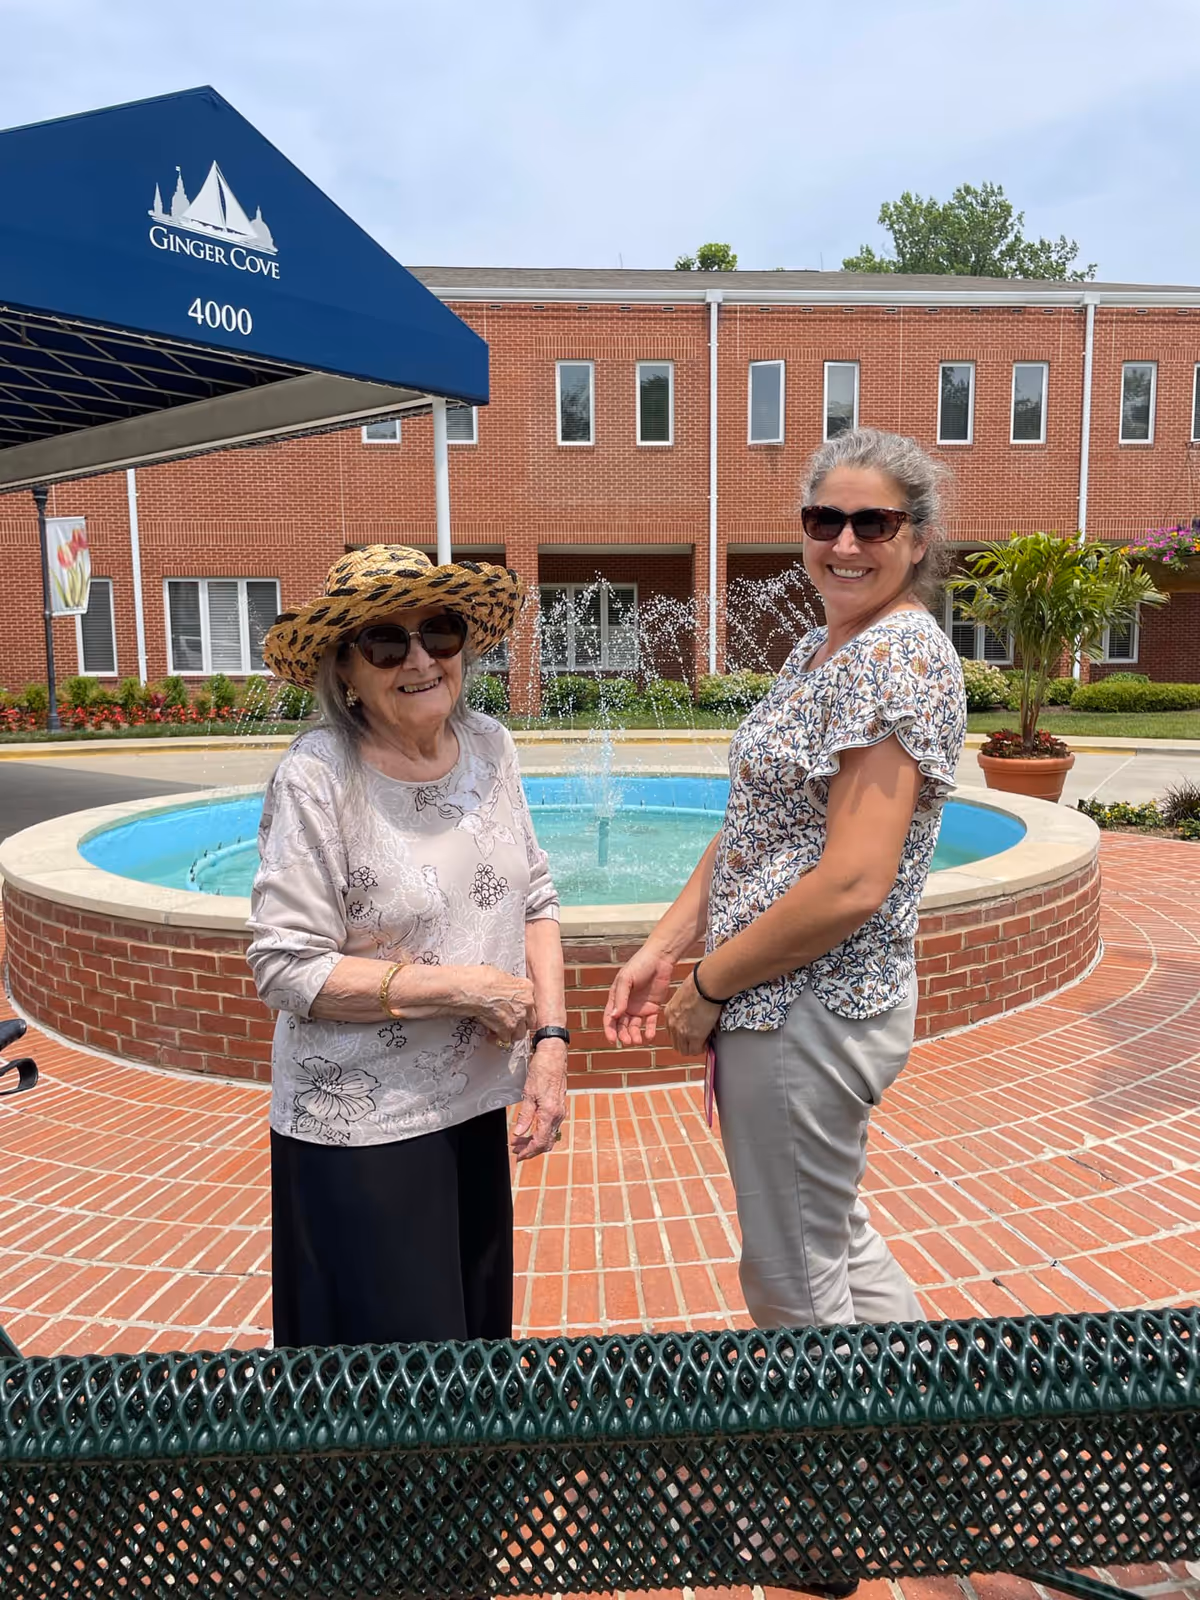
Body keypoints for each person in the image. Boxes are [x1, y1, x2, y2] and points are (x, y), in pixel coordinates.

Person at [605, 428, 967, 1334]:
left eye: (872, 523)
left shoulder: (897, 658)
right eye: (824, 519)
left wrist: (704, 986)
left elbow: (852, 881)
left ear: (917, 539)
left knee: (790, 1279)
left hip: (807, 1005)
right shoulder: (825, 648)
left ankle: (842, 1471)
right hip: (783, 999)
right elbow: (756, 826)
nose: (844, 544)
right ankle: (920, 1427)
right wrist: (664, 943)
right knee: (833, 1237)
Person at [249, 544, 569, 1348]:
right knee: (391, 1371)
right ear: (344, 670)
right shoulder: (317, 777)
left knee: (473, 1338)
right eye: (386, 643)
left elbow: (535, 895)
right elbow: (286, 965)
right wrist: (465, 987)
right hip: (363, 1123)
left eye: (441, 631)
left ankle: (472, 1481)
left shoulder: (492, 746)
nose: (421, 658)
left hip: (470, 1102)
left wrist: (552, 1045)